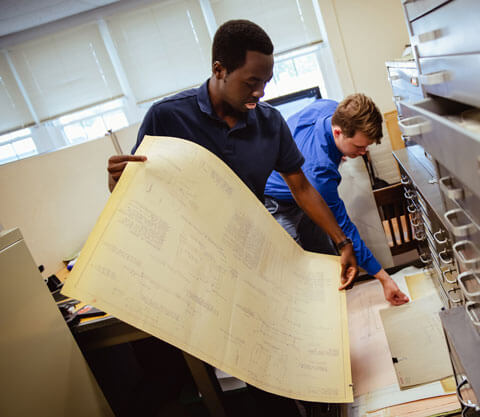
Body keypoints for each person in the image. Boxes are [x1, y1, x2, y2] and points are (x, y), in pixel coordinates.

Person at [106, 19, 358, 417]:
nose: (260, 92)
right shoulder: (168, 117)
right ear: (219, 70)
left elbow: (302, 187)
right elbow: (139, 190)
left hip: (254, 251)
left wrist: (341, 243)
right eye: (251, 82)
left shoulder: (270, 122)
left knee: (290, 344)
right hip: (199, 264)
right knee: (249, 368)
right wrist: (116, 181)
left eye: (266, 82)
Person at [264, 94, 409, 306]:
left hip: (301, 186)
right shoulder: (319, 170)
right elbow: (345, 230)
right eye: (359, 147)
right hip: (276, 200)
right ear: (338, 132)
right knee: (296, 269)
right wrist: (384, 279)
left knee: (327, 259)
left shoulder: (332, 108)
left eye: (366, 147)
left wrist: (340, 150)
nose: (362, 152)